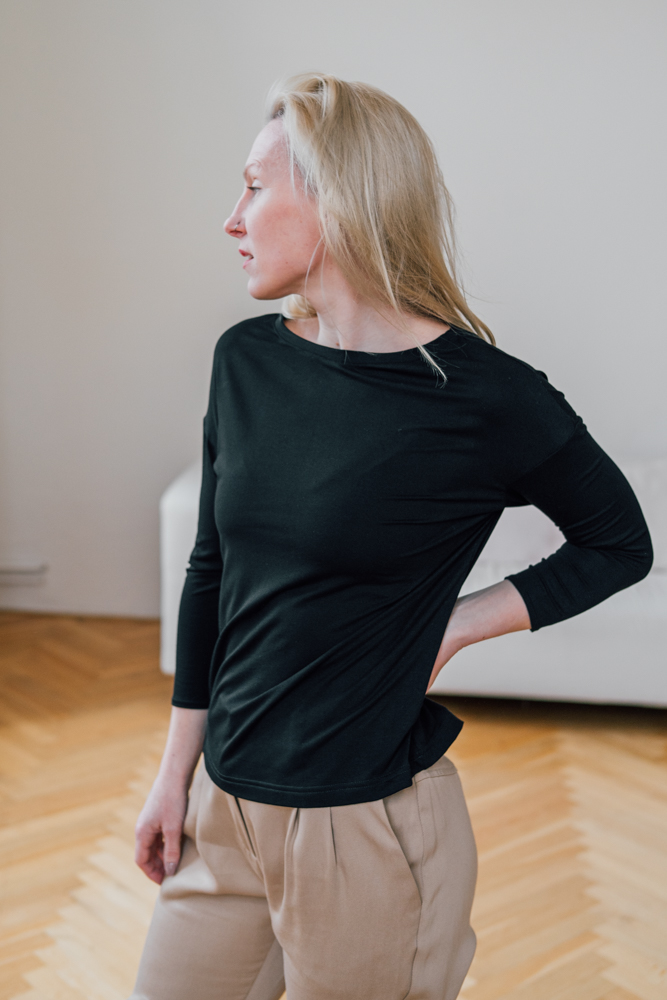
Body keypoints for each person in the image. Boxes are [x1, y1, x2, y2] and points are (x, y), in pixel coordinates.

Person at [129, 74, 652, 1000]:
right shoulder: (244, 360)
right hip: (223, 804)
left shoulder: (487, 397)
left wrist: (455, 626)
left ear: (335, 197)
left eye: (253, 187)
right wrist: (175, 775)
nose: (231, 218)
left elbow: (618, 543)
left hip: (364, 831)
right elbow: (212, 570)